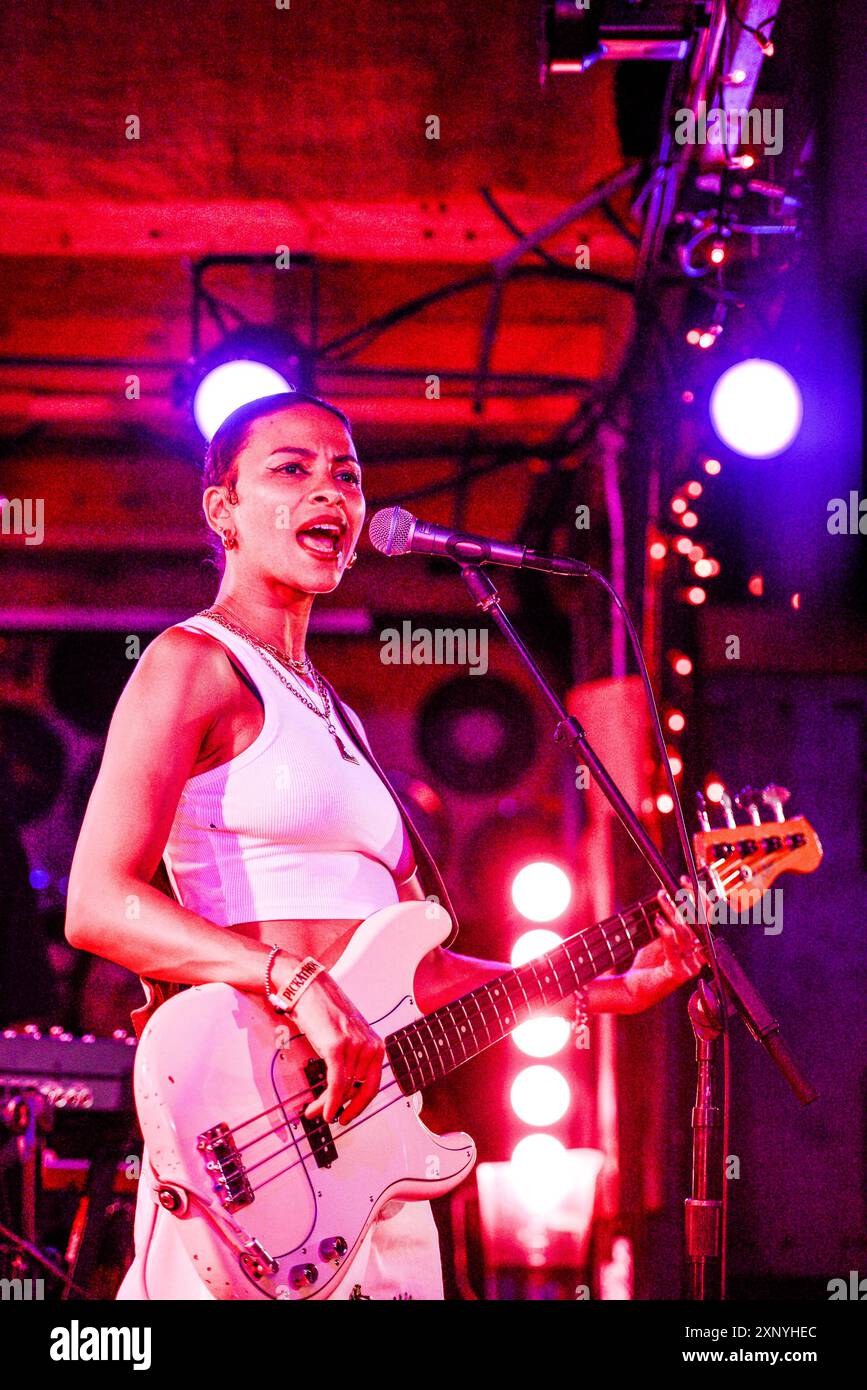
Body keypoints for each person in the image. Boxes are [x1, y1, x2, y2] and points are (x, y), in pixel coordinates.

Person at [65, 391, 704, 1300]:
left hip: (377, 1161)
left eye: (348, 475)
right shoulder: (193, 662)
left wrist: (599, 986)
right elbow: (97, 902)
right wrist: (293, 978)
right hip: (252, 1142)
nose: (328, 490)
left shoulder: (346, 722)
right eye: (291, 470)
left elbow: (420, 976)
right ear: (224, 511)